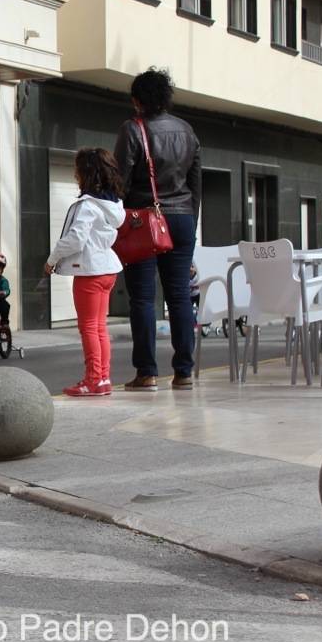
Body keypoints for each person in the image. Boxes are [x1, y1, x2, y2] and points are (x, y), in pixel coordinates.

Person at [114, 67, 201, 391]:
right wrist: (190, 223)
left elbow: (119, 181)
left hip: (144, 221)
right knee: (179, 296)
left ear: (137, 101)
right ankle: (184, 372)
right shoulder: (187, 131)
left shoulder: (132, 129)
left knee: (143, 299)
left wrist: (115, 221)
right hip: (182, 219)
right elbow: (195, 185)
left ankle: (147, 372)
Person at [45, 148, 126, 397]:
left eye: (77, 169)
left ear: (86, 173)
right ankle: (103, 378)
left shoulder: (87, 206)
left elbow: (75, 239)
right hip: (108, 270)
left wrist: (52, 259)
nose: (75, 174)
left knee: (89, 327)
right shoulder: (114, 205)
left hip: (89, 271)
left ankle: (93, 380)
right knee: (99, 327)